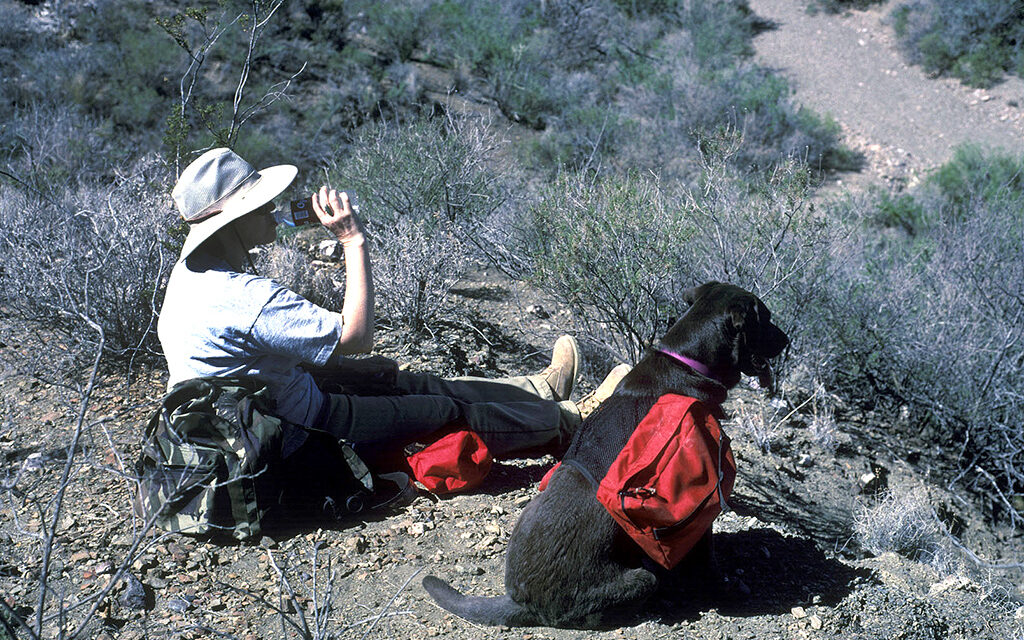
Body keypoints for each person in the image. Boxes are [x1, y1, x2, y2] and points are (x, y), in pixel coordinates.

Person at [158, 148, 583, 467]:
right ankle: (571, 421)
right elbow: (356, 336)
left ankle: (539, 389)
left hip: (254, 422)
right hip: (298, 430)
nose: (272, 209)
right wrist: (352, 240)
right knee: (444, 411)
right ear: (232, 220)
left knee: (407, 381)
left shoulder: (188, 279)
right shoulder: (242, 295)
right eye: (259, 205)